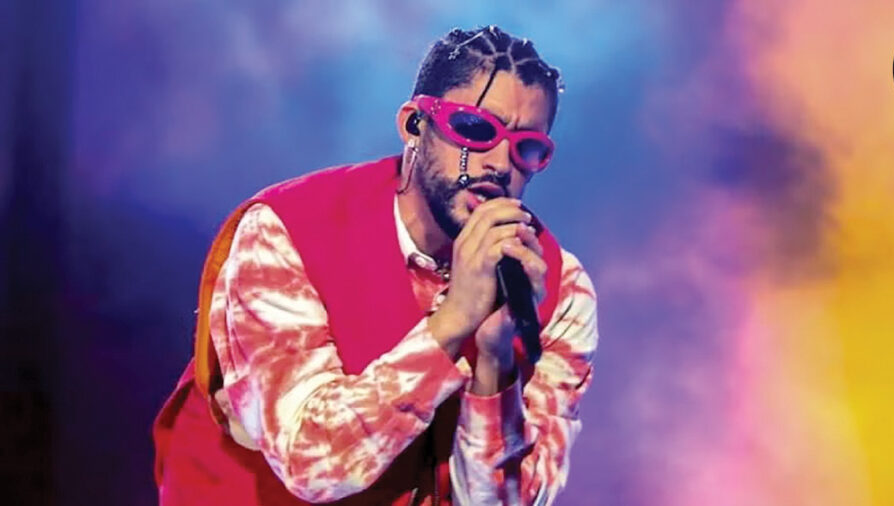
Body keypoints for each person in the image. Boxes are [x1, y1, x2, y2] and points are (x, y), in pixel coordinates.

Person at [152, 25, 598, 506]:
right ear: (414, 125)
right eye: (475, 129)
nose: (499, 162)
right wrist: (452, 322)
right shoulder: (287, 231)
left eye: (527, 147)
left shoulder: (560, 289)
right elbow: (312, 464)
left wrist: (496, 365)